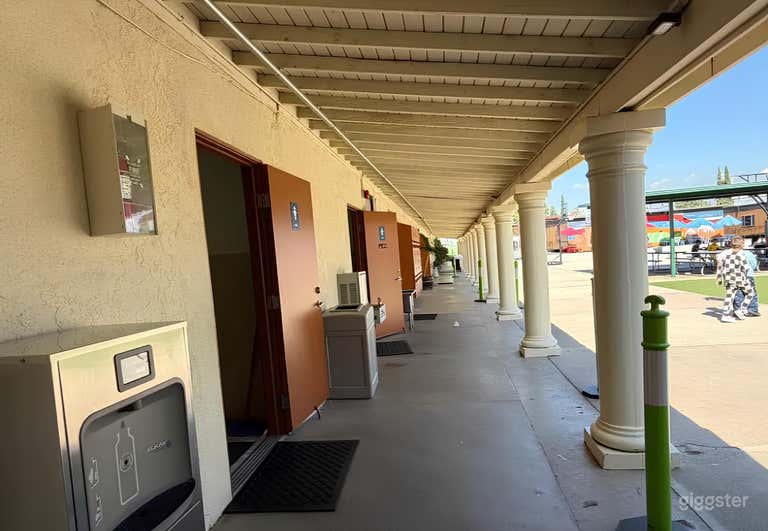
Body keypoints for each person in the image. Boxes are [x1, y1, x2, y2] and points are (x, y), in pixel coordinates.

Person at [716, 236, 754, 322]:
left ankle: (725, 315)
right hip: (740, 278)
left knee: (729, 296)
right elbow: (746, 267)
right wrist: (746, 276)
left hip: (728, 278)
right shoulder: (741, 254)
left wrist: (719, 277)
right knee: (750, 293)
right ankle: (741, 309)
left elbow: (719, 265)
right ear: (742, 245)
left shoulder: (726, 254)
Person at [733, 246, 761, 316]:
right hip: (748, 275)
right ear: (742, 245)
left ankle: (737, 310)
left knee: (738, 293)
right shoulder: (748, 253)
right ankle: (752, 310)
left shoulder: (730, 254)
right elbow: (753, 264)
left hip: (736, 276)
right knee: (751, 293)